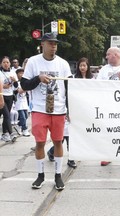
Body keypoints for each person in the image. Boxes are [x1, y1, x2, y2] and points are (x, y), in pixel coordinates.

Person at [20, 33, 72, 190]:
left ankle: (58, 176)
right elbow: (25, 84)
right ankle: (40, 175)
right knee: (40, 142)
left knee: (58, 141)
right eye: (50, 43)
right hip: (39, 109)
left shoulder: (63, 64)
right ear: (42, 44)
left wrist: (70, 108)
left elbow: (69, 88)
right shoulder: (33, 62)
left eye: (55, 43)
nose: (54, 46)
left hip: (58, 109)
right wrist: (38, 78)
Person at [47, 57, 94, 168]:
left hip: (84, 111)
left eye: (85, 65)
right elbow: (67, 95)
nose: (83, 67)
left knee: (74, 135)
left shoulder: (92, 79)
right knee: (68, 135)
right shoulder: (72, 78)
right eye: (81, 65)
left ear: (88, 67)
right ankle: (71, 158)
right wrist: (67, 110)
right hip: (71, 110)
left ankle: (52, 151)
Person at [0, 56, 18, 142]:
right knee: (7, 115)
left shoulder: (13, 72)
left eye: (7, 62)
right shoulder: (0, 73)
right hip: (1, 96)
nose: (6, 64)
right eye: (4, 62)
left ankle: (4, 133)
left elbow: (16, 87)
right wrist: (3, 86)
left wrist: (15, 81)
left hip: (10, 96)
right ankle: (11, 133)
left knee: (5, 116)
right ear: (1, 64)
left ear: (10, 63)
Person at [13, 68, 30, 137]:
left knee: (25, 116)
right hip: (18, 102)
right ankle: (25, 129)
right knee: (22, 117)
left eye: (23, 73)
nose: (21, 75)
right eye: (20, 73)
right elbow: (15, 90)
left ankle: (18, 125)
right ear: (17, 74)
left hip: (24, 102)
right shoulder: (15, 82)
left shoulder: (25, 82)